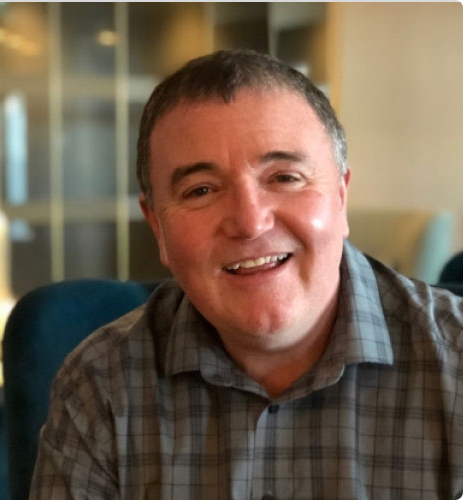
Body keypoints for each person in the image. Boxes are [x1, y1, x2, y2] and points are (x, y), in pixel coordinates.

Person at [30, 49, 463, 499]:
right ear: (157, 226)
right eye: (201, 190)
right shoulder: (100, 385)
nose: (250, 222)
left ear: (340, 197)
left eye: (285, 177)